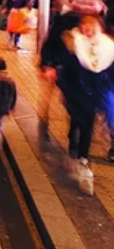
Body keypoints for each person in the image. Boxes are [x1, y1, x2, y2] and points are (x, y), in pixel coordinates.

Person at [58, 14, 114, 193]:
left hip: (94, 96)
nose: (87, 30)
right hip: (75, 93)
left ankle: (82, 159)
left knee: (87, 125)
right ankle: (74, 149)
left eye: (91, 27)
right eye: (84, 26)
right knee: (77, 122)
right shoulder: (74, 43)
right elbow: (65, 71)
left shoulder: (108, 47)